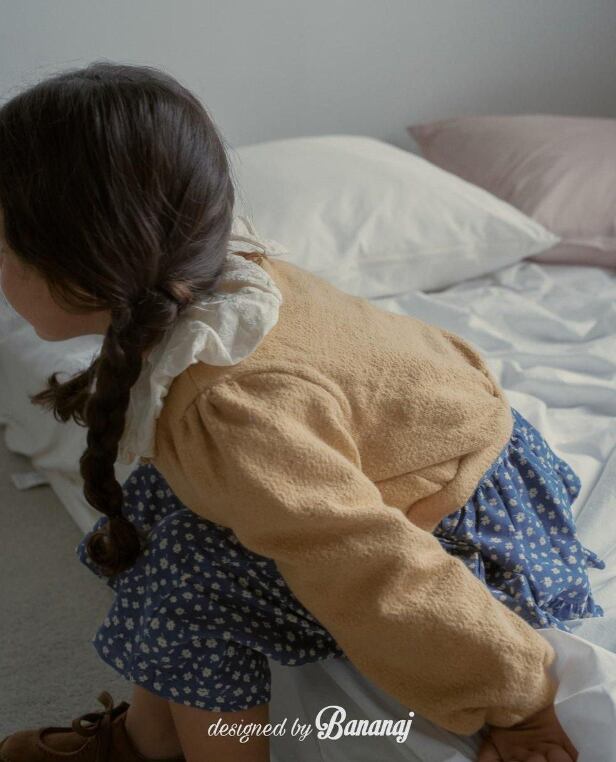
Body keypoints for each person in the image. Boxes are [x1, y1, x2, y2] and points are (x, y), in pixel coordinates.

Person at [0, 61, 601, 762]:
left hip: (469, 534)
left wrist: (519, 704)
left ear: (81, 260)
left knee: (190, 581)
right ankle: (147, 741)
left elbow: (372, 565)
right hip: (454, 463)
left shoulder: (228, 402)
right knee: (164, 499)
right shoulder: (226, 283)